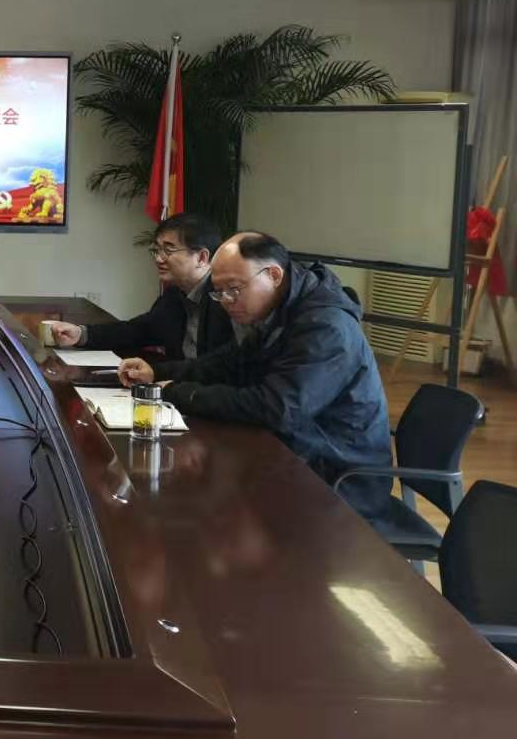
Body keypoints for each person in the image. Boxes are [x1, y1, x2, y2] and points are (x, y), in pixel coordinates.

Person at [118, 232, 392, 517]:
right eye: (219, 291)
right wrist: (157, 372)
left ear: (273, 275)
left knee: (201, 499)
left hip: (336, 477)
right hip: (294, 453)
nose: (226, 300)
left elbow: (277, 408)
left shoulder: (326, 327)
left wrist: (176, 392)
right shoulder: (282, 309)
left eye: (234, 289)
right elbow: (229, 363)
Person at [47, 212, 232, 361]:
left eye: (168, 250)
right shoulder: (175, 294)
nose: (158, 258)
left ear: (201, 258)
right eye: (157, 250)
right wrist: (81, 334)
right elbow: (138, 330)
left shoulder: (226, 300)